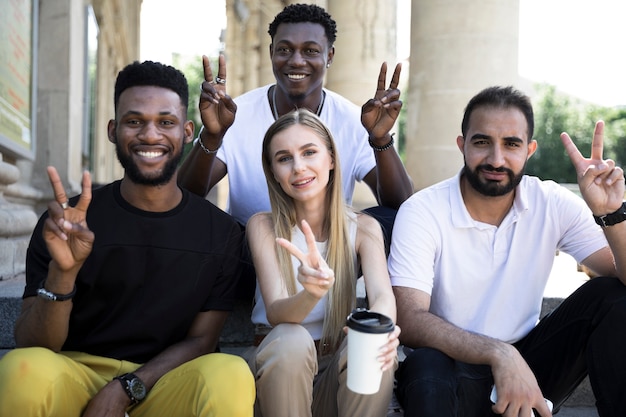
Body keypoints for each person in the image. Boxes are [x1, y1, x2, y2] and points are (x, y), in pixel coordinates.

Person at [0, 61, 255, 416]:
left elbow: (202, 340)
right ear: (112, 130)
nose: (150, 135)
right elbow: (33, 342)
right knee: (21, 370)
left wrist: (127, 388)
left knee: (230, 374)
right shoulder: (68, 223)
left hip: (166, 382)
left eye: (165, 122)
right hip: (77, 375)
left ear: (185, 131)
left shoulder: (221, 232)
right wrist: (64, 272)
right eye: (134, 121)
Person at [389, 86, 626, 417]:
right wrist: (499, 353)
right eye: (482, 142)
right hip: (449, 367)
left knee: (613, 297)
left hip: (531, 365)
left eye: (511, 144)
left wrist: (611, 214)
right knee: (425, 363)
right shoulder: (423, 210)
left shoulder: (551, 202)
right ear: (463, 145)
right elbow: (409, 317)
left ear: (529, 150)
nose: (496, 159)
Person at [178, 3, 413, 298]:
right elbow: (186, 196)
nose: (296, 60)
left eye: (311, 51)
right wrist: (213, 136)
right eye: (285, 49)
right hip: (254, 256)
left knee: (392, 222)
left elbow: (400, 204)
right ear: (271, 53)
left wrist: (380, 139)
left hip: (330, 254)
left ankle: (322, 286)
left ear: (329, 56)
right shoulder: (236, 114)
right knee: (198, 222)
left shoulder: (353, 119)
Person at [245, 108, 401, 417]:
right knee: (292, 340)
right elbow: (277, 312)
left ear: (331, 159)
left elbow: (383, 296)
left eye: (309, 152)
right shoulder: (263, 226)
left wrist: (383, 329)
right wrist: (310, 293)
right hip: (277, 377)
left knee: (372, 347)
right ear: (273, 171)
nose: (298, 167)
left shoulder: (363, 228)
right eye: (284, 158)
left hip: (334, 370)